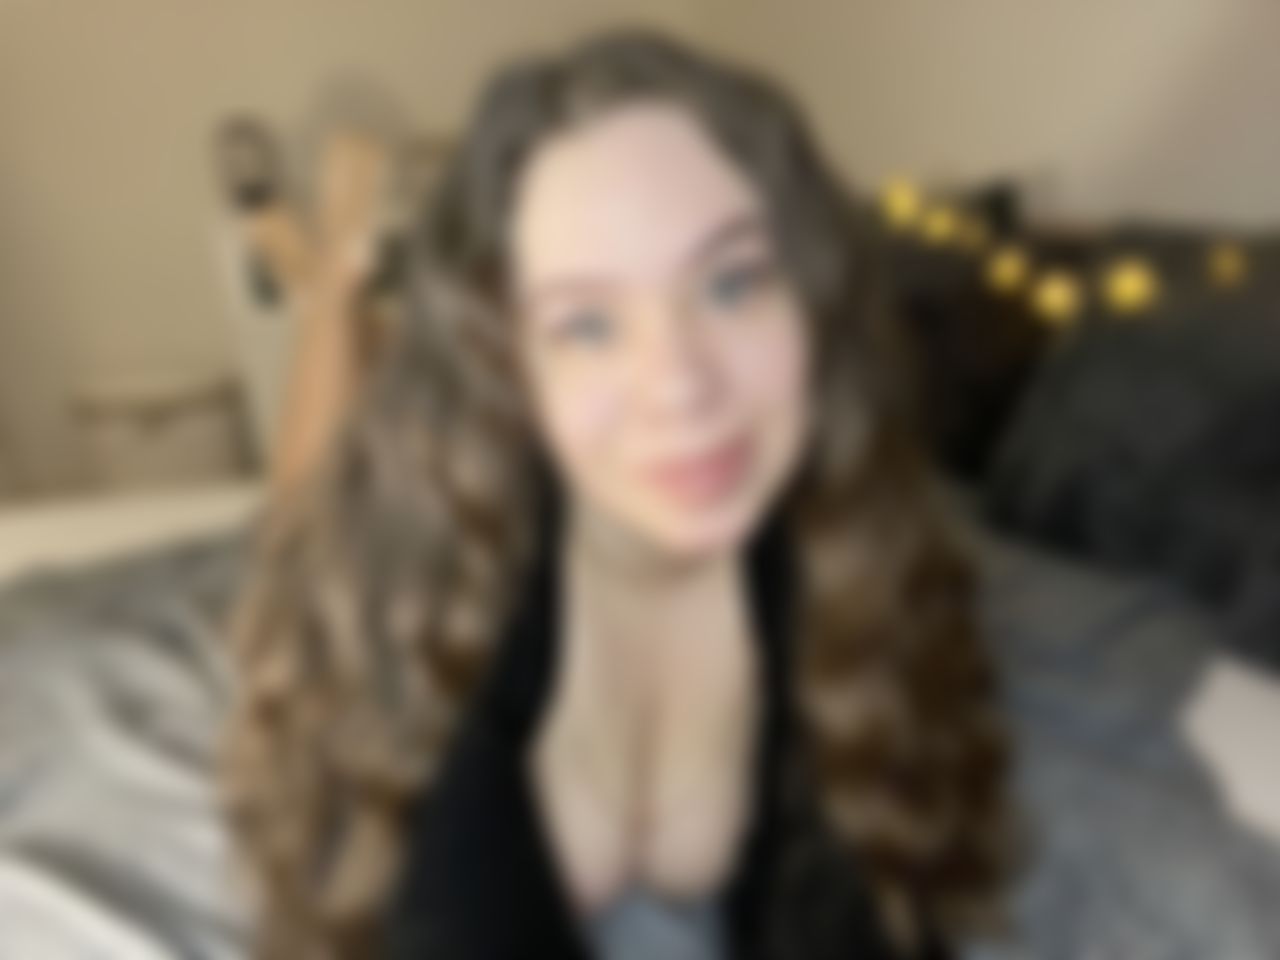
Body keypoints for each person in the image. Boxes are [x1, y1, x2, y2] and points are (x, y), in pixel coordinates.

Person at [222, 29, 1017, 960]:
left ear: (813, 297)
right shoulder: (433, 610)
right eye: (588, 325)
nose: (678, 384)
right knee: (306, 519)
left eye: (733, 282)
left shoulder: (852, 561)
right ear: (507, 359)